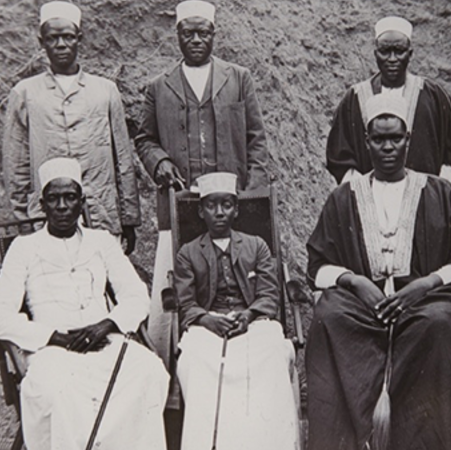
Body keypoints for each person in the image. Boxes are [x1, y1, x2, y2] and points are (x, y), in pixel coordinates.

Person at [306, 94, 451, 450]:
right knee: (329, 316)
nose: (388, 147)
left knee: (442, 323)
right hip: (362, 305)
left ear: (409, 139)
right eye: (378, 139)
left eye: (395, 139)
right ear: (366, 142)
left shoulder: (440, 192)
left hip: (424, 301)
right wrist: (355, 282)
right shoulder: (344, 196)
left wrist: (425, 284)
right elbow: (319, 265)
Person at [134, 1, 271, 419]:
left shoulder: (238, 79)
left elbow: (256, 139)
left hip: (230, 205)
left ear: (214, 34)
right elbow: (144, 138)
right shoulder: (160, 86)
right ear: (177, 36)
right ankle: (174, 394)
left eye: (203, 33)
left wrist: (251, 194)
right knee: (175, 294)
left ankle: (240, 395)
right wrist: (160, 163)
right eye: (188, 34)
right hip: (182, 205)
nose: (196, 40)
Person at [0, 158, 169, 450]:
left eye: (70, 197)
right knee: (59, 390)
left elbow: (136, 294)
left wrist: (105, 325)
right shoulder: (25, 247)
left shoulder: (102, 242)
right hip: (52, 350)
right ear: (42, 205)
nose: (61, 206)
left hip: (104, 340)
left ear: (82, 203)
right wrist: (55, 337)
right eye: (53, 199)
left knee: (149, 371)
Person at [170, 172, 298, 450]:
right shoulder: (187, 253)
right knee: (196, 359)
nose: (219, 212)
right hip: (207, 324)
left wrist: (249, 315)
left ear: (236, 209)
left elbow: (268, 293)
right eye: (211, 206)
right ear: (201, 211)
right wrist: (207, 320)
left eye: (226, 205)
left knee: (273, 351)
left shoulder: (256, 245)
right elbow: (187, 303)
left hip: (252, 320)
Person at [2, 1, 141, 254]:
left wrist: (129, 218)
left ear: (79, 38)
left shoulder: (105, 91)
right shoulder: (25, 93)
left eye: (68, 37)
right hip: (45, 218)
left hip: (100, 213)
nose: (61, 44)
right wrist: (24, 221)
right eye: (53, 38)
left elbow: (123, 158)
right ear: (41, 42)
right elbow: (16, 165)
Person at [325, 16, 451, 200]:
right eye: (385, 51)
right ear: (375, 53)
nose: (392, 59)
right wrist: (363, 195)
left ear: (410, 53)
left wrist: (437, 197)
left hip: (426, 204)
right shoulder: (355, 98)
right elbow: (340, 158)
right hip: (370, 203)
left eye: (399, 51)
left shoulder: (433, 95)